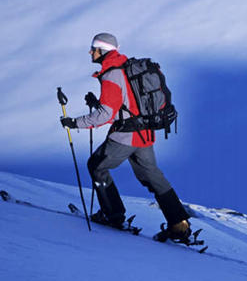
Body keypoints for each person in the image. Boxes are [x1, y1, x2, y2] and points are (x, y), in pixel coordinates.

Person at [59, 33, 190, 241]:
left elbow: (106, 115)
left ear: (103, 50)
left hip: (125, 137)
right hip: (145, 135)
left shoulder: (112, 74)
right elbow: (128, 103)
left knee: (97, 166)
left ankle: (113, 215)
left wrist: (75, 123)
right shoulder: (127, 67)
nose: (90, 52)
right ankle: (179, 224)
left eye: (93, 48)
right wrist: (98, 103)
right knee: (153, 177)